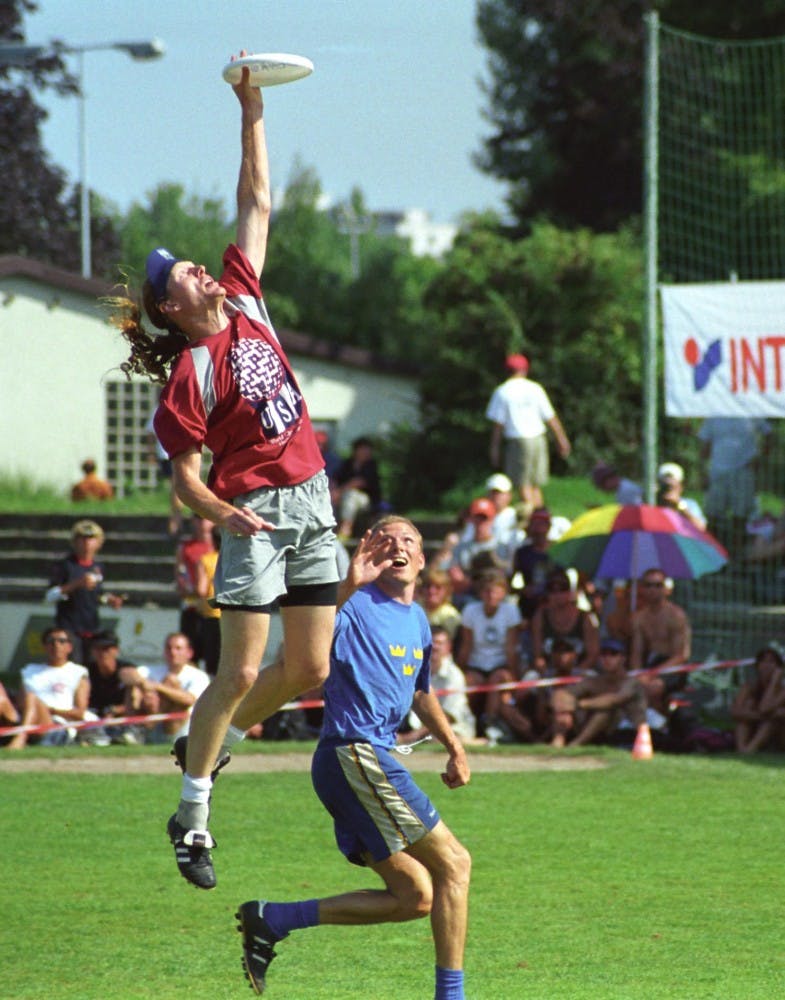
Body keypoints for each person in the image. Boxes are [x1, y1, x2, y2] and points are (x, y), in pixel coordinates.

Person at [109, 58, 338, 890]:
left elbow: (257, 200)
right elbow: (185, 481)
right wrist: (223, 514)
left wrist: (251, 107)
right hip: (257, 516)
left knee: (309, 670)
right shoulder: (189, 372)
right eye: (182, 274)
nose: (200, 268)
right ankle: (193, 815)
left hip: (313, 499)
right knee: (239, 670)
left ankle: (212, 739)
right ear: (171, 308)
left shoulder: (243, 298)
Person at [234, 516, 471, 999]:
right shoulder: (355, 603)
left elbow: (421, 693)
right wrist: (345, 586)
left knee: (416, 897)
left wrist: (455, 747)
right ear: (371, 552)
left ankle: (272, 919)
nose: (398, 546)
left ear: (422, 559)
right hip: (354, 752)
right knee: (455, 864)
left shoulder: (418, 619)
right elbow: (300, 647)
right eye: (386, 540)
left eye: (408, 540)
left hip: (356, 763)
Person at [486, 353, 571, 507]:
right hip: (539, 439)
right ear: (525, 370)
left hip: (518, 440)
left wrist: (494, 448)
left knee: (522, 484)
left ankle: (531, 517)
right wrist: (562, 439)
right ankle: (540, 515)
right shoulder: (535, 388)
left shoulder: (502, 391)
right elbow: (550, 417)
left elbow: (498, 424)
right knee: (535, 486)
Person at [45, 519, 124, 665]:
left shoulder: (98, 567)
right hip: (69, 629)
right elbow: (50, 596)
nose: (87, 543)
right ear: (74, 542)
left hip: (91, 628)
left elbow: (98, 595)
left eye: (91, 539)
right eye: (82, 539)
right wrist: (77, 584)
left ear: (99, 543)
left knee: (91, 669)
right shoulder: (64, 566)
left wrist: (110, 600)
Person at [7, 626, 96, 749]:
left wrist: (50, 710)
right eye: (51, 641)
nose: (56, 645)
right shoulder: (29, 671)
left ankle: (20, 738)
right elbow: (21, 703)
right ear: (44, 647)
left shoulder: (78, 672)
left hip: (57, 726)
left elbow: (79, 713)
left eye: (61, 641)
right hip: (28, 719)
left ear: (69, 647)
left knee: (32, 697)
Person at [455, 569, 521, 735]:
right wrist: (459, 672)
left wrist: (514, 675)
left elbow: (511, 648)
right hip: (476, 664)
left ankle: (489, 723)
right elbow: (466, 645)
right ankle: (464, 722)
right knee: (467, 682)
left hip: (500, 664)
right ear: (480, 593)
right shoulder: (470, 611)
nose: (491, 595)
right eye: (487, 591)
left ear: (503, 593)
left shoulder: (511, 611)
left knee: (498, 679)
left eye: (495, 591)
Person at [550, 637, 647, 747]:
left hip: (630, 733)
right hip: (601, 734)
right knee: (563, 707)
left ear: (623, 658)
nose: (607, 658)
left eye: (613, 654)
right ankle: (558, 741)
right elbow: (560, 694)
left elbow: (613, 700)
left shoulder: (632, 683)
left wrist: (579, 704)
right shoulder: (594, 681)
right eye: (604, 654)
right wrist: (565, 711)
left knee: (605, 710)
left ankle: (575, 745)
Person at [698, 416, 771, 551]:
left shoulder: (752, 413)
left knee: (741, 517)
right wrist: (702, 471)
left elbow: (768, 434)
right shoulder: (713, 415)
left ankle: (738, 553)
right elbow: (705, 444)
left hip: (744, 471)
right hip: (717, 472)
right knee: (713, 515)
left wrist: (760, 458)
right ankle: (711, 552)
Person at [123, 633, 210, 742]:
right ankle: (134, 728)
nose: (173, 652)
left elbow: (190, 699)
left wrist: (158, 687)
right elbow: (125, 673)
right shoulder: (151, 670)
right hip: (152, 718)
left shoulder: (199, 676)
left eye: (178, 648)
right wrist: (143, 684)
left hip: (179, 726)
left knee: (171, 682)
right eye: (169, 648)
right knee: (134, 687)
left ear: (189, 653)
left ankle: (146, 730)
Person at [629, 567, 691, 718]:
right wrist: (638, 673)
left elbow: (681, 655)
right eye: (648, 585)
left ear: (666, 589)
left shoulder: (675, 615)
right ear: (642, 589)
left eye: (658, 585)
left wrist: (652, 674)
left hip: (673, 667)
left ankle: (660, 725)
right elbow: (636, 653)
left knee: (652, 688)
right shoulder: (639, 618)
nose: (653, 590)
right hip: (651, 663)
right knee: (630, 686)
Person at [400, 625, 477, 745]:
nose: (435, 647)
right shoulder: (413, 670)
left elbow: (448, 717)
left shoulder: (454, 676)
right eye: (431, 642)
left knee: (437, 740)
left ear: (448, 647)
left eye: (440, 643)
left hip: (455, 727)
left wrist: (411, 737)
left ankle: (481, 742)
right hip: (420, 726)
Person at [529, 568, 600, 676]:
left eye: (562, 589)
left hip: (579, 672)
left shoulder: (584, 618)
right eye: (553, 590)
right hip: (549, 672)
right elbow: (538, 655)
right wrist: (545, 671)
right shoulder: (540, 617)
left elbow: (593, 655)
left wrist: (576, 673)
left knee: (592, 675)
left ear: (570, 592)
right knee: (530, 676)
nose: (558, 595)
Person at [174, 514, 216, 667]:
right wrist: (184, 588)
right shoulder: (186, 547)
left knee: (214, 655)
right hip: (192, 605)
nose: (202, 521)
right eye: (198, 517)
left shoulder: (219, 546)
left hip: (214, 609)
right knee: (191, 653)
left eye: (205, 517)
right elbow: (180, 573)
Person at [731, 642, 785, 754]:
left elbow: (765, 708)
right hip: (756, 726)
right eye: (763, 661)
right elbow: (736, 711)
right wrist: (762, 717)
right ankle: (742, 749)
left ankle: (749, 750)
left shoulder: (782, 690)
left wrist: (774, 682)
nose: (766, 666)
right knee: (748, 706)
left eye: (771, 662)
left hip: (778, 732)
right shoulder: (749, 687)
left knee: (772, 721)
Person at [86, 631, 138, 743]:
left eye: (106, 648)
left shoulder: (127, 669)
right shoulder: (87, 671)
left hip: (121, 718)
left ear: (116, 650)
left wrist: (114, 710)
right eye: (98, 648)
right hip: (93, 718)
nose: (102, 653)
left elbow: (136, 702)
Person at [333, 435, 383, 540]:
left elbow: (359, 482)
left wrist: (339, 492)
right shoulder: (347, 464)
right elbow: (336, 479)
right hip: (344, 497)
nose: (366, 452)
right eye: (363, 449)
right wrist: (334, 492)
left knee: (351, 496)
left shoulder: (371, 465)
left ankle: (346, 527)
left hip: (366, 500)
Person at [656, 462, 706, 531]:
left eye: (671, 487)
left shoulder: (689, 504)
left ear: (680, 486)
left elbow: (701, 528)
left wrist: (680, 506)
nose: (668, 490)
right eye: (665, 486)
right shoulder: (651, 502)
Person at [417, 567, 463, 643]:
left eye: (438, 587)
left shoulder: (451, 615)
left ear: (447, 591)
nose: (431, 591)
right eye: (427, 586)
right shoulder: (413, 608)